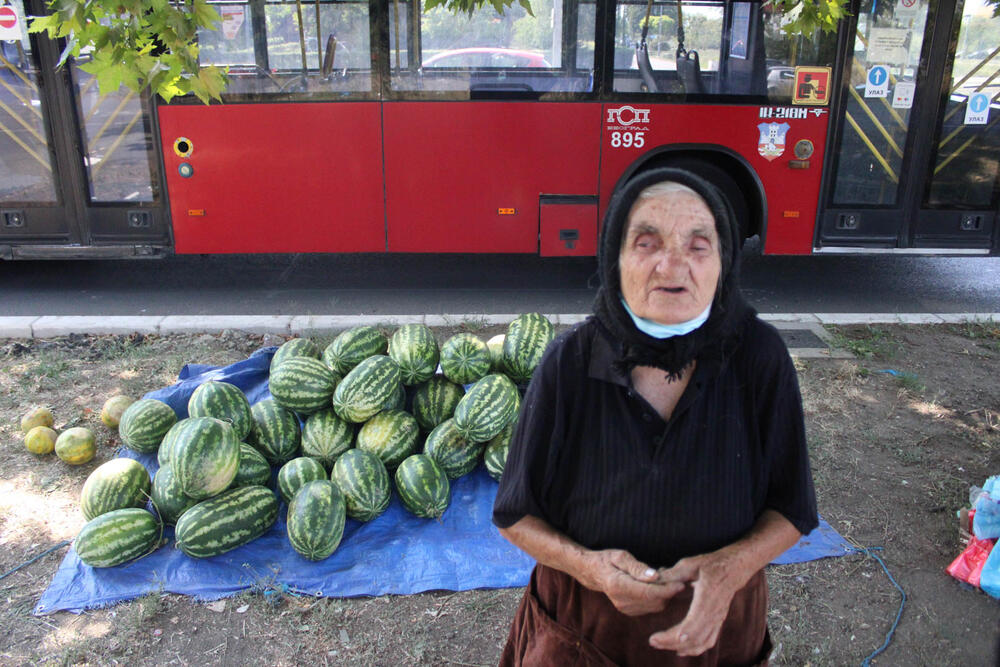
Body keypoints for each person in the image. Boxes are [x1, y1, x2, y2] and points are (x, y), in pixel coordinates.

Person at [493, 166, 818, 665]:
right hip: (585, 630)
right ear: (614, 259)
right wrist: (590, 568)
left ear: (723, 262)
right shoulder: (569, 363)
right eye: (647, 242)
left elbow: (793, 508)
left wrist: (730, 570)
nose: (672, 267)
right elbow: (515, 514)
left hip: (718, 628)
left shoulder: (759, 357)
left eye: (698, 245)